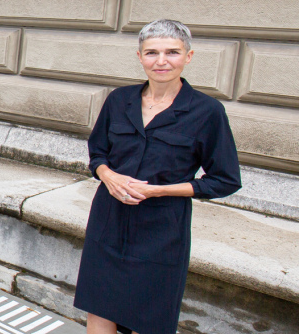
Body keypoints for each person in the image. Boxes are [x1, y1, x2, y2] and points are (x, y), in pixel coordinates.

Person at [74, 19, 241, 334]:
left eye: (172, 52)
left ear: (188, 57)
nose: (161, 61)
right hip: (108, 220)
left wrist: (160, 191)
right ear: (139, 57)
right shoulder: (118, 100)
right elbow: (97, 153)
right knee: (99, 306)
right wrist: (108, 176)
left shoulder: (207, 111)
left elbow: (225, 180)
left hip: (161, 231)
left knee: (147, 318)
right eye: (151, 53)